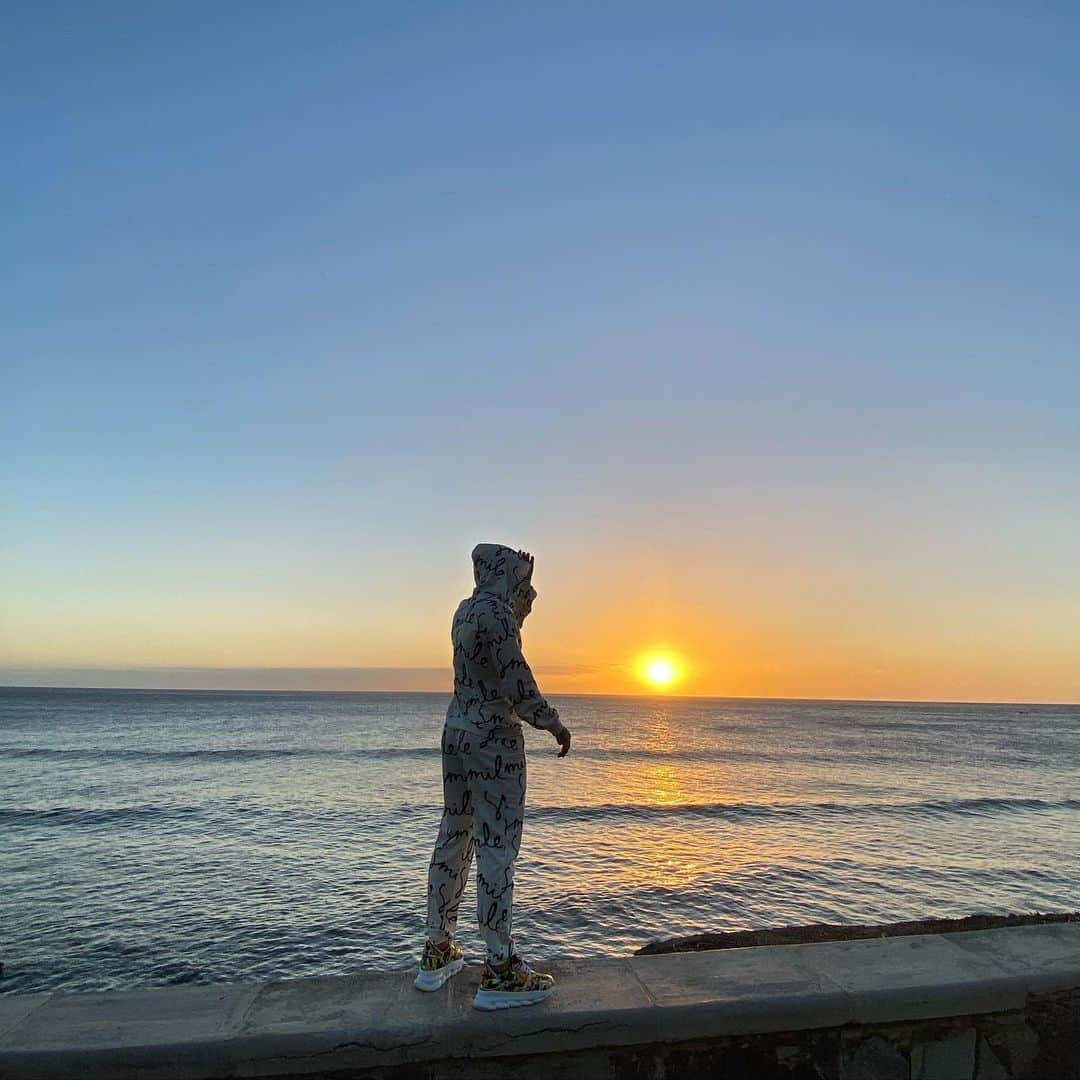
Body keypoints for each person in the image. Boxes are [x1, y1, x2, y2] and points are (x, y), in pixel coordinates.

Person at [415, 543, 572, 1010]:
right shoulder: (496, 616)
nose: (527, 589)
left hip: (457, 732)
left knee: (454, 837)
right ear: (504, 574)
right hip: (493, 743)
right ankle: (500, 968)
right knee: (497, 848)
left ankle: (436, 948)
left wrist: (518, 604)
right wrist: (552, 722)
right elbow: (515, 679)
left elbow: (485, 664)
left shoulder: (465, 612)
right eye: (521, 579)